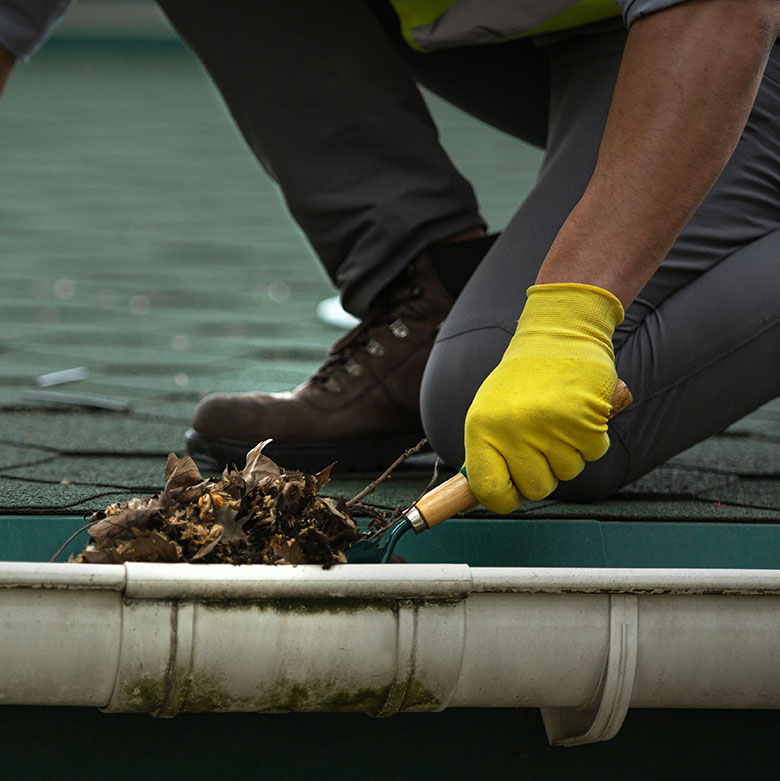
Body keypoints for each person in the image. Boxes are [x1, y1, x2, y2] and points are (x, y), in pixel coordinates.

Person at [8, 1, 780, 514]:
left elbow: (728, 8)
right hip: (571, 34)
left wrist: (571, 315)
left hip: (729, 41)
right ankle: (422, 286)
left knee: (491, 398)